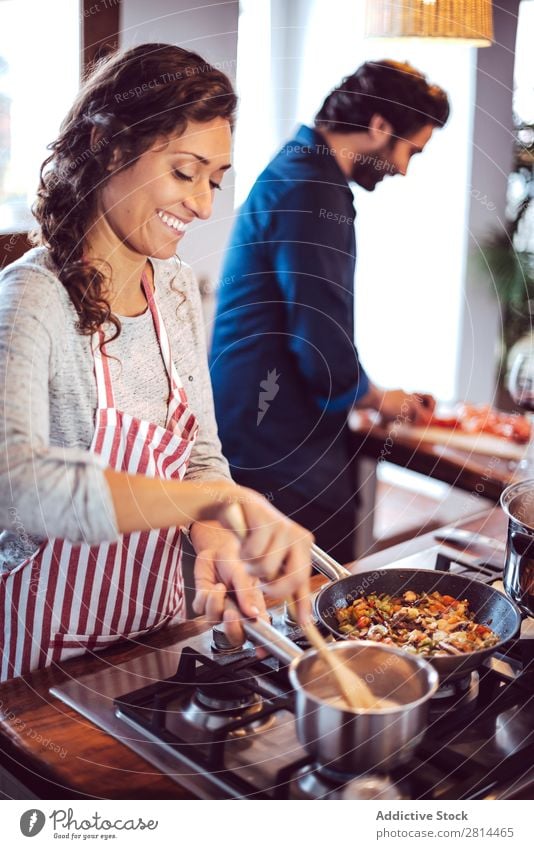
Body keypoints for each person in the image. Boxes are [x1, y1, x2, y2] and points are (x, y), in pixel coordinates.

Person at [0, 43, 312, 683]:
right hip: (37, 661)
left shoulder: (171, 287)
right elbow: (21, 488)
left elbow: (198, 450)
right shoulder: (29, 298)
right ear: (109, 147)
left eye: (215, 179)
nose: (202, 204)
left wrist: (215, 534)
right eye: (184, 171)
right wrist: (220, 501)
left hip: (150, 633)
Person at [210, 60, 450, 563]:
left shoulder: (299, 166)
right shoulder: (313, 187)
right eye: (411, 150)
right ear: (380, 127)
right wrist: (377, 396)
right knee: (315, 568)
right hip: (276, 428)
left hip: (252, 414)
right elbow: (318, 332)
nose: (405, 168)